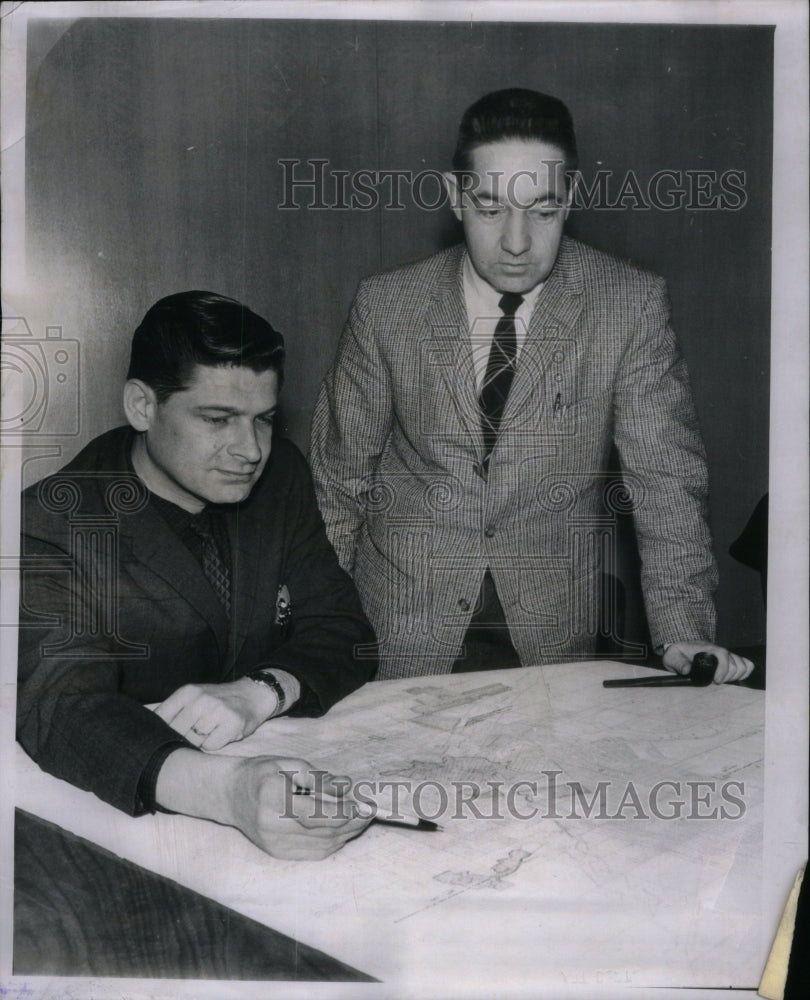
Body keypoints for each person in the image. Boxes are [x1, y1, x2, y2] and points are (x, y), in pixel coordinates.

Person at [310, 88, 753, 685]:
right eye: (491, 209)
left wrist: (683, 631)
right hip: (398, 632)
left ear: (570, 200)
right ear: (455, 199)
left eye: (542, 211)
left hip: (551, 638)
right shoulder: (387, 305)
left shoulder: (629, 303)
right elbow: (339, 484)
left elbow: (665, 481)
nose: (516, 242)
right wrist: (313, 637)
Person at [17, 291, 376, 860]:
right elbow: (63, 707)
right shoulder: (49, 523)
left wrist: (260, 692)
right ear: (142, 406)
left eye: (263, 420)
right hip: (131, 823)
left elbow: (343, 630)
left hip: (287, 782)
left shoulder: (280, 474)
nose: (251, 449)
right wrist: (230, 791)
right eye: (217, 419)